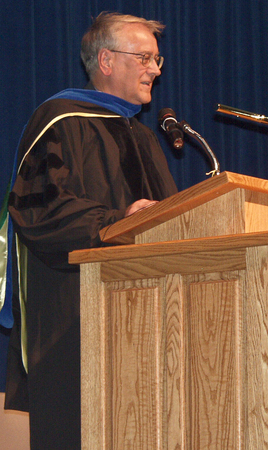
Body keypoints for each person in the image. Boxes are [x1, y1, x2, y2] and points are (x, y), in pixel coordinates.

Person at [5, 11, 177, 450]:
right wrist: (118, 221)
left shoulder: (143, 138)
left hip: (148, 318)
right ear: (105, 60)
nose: (155, 70)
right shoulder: (60, 122)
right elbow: (41, 210)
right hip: (74, 318)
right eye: (144, 58)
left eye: (157, 60)